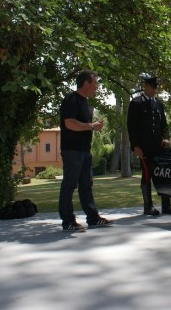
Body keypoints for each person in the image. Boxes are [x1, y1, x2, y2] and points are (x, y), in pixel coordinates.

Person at [58, 70, 113, 231]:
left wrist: (93, 126)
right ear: (86, 83)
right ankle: (68, 221)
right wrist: (91, 126)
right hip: (72, 151)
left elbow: (80, 125)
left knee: (86, 185)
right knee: (69, 185)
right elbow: (69, 123)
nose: (97, 86)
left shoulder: (85, 102)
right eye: (95, 83)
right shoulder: (71, 99)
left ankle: (93, 218)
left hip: (84, 150)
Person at [127, 73, 171, 216]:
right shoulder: (136, 103)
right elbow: (131, 127)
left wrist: (166, 138)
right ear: (146, 86)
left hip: (159, 147)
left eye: (156, 87)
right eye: (153, 87)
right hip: (144, 148)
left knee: (164, 175)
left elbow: (164, 125)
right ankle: (148, 206)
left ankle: (166, 205)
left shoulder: (158, 104)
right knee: (147, 175)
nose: (155, 90)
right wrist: (135, 146)